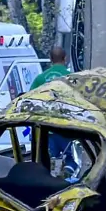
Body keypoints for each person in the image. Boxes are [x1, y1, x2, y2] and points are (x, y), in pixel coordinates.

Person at [29, 46, 77, 178]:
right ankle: (66, 177)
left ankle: (49, 181)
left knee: (48, 161)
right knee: (70, 160)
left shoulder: (40, 78)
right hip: (65, 128)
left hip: (46, 129)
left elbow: (30, 99)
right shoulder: (72, 78)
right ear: (65, 58)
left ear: (50, 59)